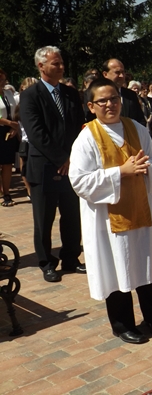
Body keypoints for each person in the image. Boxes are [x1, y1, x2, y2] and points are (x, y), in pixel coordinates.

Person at [69, 78, 152, 344]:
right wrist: (120, 172)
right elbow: (79, 181)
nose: (110, 104)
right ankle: (122, 324)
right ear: (91, 106)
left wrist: (147, 169)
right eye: (102, 101)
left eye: (114, 98)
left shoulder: (136, 128)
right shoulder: (87, 138)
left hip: (140, 209)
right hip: (108, 219)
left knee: (146, 266)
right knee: (116, 267)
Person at [20, 46, 86, 283]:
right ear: (41, 66)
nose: (61, 67)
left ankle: (71, 257)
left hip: (72, 165)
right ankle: (46, 262)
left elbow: (79, 125)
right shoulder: (30, 95)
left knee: (72, 215)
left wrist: (74, 158)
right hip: (44, 167)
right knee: (44, 218)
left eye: (61, 63)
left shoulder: (70, 94)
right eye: (56, 63)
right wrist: (61, 159)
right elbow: (36, 133)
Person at [101, 58, 146, 126]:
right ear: (105, 74)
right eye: (117, 72)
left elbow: (140, 120)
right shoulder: (96, 95)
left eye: (123, 72)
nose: (121, 76)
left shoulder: (131, 95)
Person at [14, 77, 38, 199]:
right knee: (25, 167)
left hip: (37, 140)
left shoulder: (40, 102)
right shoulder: (18, 103)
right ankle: (29, 191)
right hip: (25, 140)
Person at [0, 69, 19, 206]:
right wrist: (8, 123)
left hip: (8, 131)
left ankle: (6, 193)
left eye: (3, 79)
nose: (2, 82)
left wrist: (14, 127)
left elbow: (15, 111)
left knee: (7, 163)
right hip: (3, 126)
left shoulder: (8, 93)